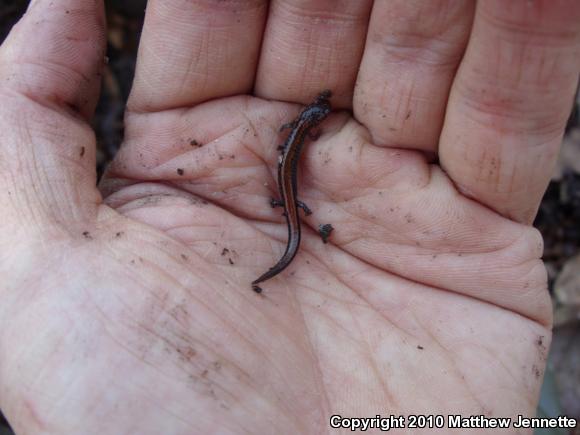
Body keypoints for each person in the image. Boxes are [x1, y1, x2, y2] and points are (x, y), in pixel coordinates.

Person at [0, 0, 578, 433]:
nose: (317, 118)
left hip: (289, 198)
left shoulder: (305, 125)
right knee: (294, 223)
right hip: (288, 199)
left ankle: (297, 241)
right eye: (318, 115)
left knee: (295, 219)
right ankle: (295, 245)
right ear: (317, 118)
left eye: (316, 117)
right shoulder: (307, 127)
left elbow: (297, 130)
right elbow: (298, 131)